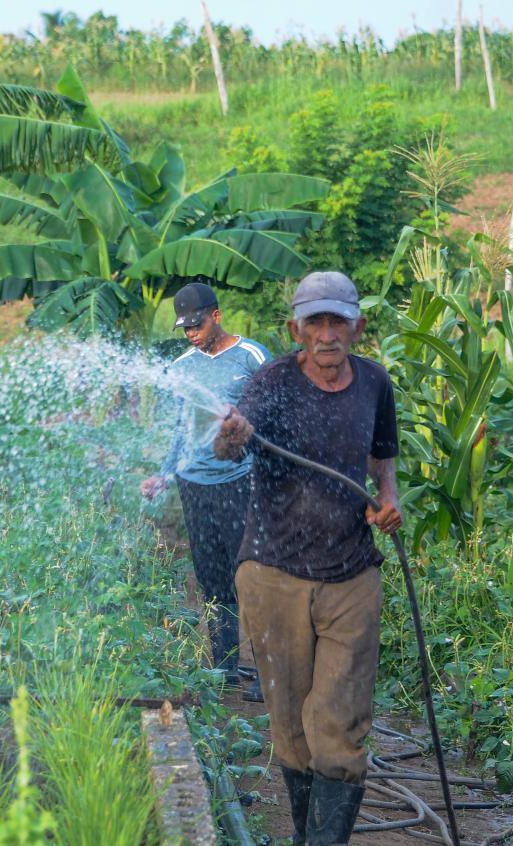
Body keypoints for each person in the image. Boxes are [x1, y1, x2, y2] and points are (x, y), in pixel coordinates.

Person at [214, 271, 402, 846]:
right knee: (293, 727)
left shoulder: (375, 382)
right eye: (314, 322)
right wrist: (232, 433)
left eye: (337, 322)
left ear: (357, 327)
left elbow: (382, 456)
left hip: (351, 573)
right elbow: (229, 446)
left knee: (340, 727)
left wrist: (388, 499)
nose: (326, 335)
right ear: (295, 329)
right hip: (274, 573)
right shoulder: (272, 382)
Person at [141, 281, 272, 701]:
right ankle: (224, 668)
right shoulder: (181, 367)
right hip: (194, 484)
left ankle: (270, 672)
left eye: (197, 325)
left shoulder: (252, 357)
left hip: (240, 481)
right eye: (185, 328)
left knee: (252, 576)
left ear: (216, 316)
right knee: (211, 577)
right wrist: (164, 475)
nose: (191, 334)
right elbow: (179, 430)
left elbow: (272, 418)